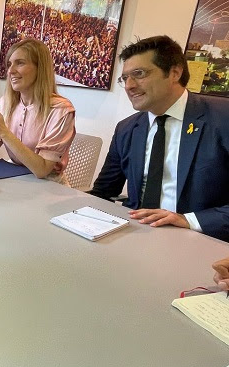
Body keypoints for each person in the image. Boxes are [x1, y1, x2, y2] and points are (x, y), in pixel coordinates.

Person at [89, 35, 229, 242]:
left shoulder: (222, 118)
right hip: (136, 235)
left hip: (201, 240)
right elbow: (103, 191)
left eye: (139, 74)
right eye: (124, 78)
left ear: (174, 73)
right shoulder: (127, 128)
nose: (129, 86)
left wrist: (188, 220)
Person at [0, 38, 76, 182]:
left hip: (48, 186)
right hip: (15, 178)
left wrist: (4, 132)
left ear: (40, 68)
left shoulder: (61, 110)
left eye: (20, 63)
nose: (10, 71)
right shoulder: (6, 102)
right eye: (9, 65)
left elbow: (42, 170)